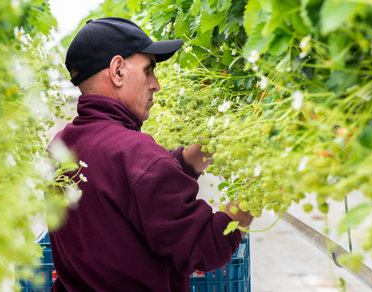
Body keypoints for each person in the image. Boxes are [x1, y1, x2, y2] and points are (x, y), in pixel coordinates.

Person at [48, 17, 253, 292]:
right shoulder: (137, 155)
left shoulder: (61, 146)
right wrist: (260, 187)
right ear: (118, 70)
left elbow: (136, 187)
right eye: (148, 70)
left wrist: (203, 150)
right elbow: (208, 246)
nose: (155, 84)